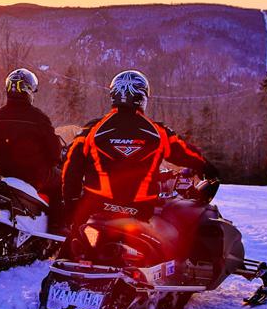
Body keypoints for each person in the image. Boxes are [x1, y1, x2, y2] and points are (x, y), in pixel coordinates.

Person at [62, 70, 216, 232]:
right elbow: (188, 155)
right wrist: (208, 169)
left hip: (94, 209)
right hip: (140, 213)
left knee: (72, 250)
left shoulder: (91, 130)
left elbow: (70, 167)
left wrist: (71, 202)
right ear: (142, 97)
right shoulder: (158, 132)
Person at [0, 68, 64, 228]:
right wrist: (54, 159)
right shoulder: (38, 118)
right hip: (35, 177)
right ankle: (57, 228)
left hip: (6, 174)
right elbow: (54, 152)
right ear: (29, 90)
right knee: (61, 183)